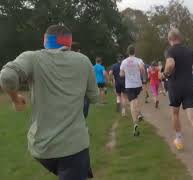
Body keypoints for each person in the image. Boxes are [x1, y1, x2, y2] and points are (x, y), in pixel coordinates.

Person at [0, 24, 99, 180]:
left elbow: (6, 77)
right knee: (73, 166)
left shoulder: (32, 57)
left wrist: (15, 98)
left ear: (45, 40)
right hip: (73, 147)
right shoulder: (84, 61)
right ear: (69, 43)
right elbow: (94, 97)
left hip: (41, 149)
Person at [163, 28, 193, 171]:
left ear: (170, 39)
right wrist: (188, 70)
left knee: (175, 113)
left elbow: (170, 65)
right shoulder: (189, 51)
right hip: (189, 86)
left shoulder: (170, 51)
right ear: (180, 38)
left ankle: (179, 139)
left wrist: (165, 73)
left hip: (175, 86)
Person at [120, 45, 145, 136]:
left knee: (132, 103)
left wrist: (126, 72)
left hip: (129, 85)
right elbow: (142, 68)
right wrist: (141, 75)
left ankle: (135, 123)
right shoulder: (138, 60)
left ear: (127, 52)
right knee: (136, 99)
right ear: (134, 51)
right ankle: (139, 114)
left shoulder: (124, 61)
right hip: (137, 84)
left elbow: (121, 74)